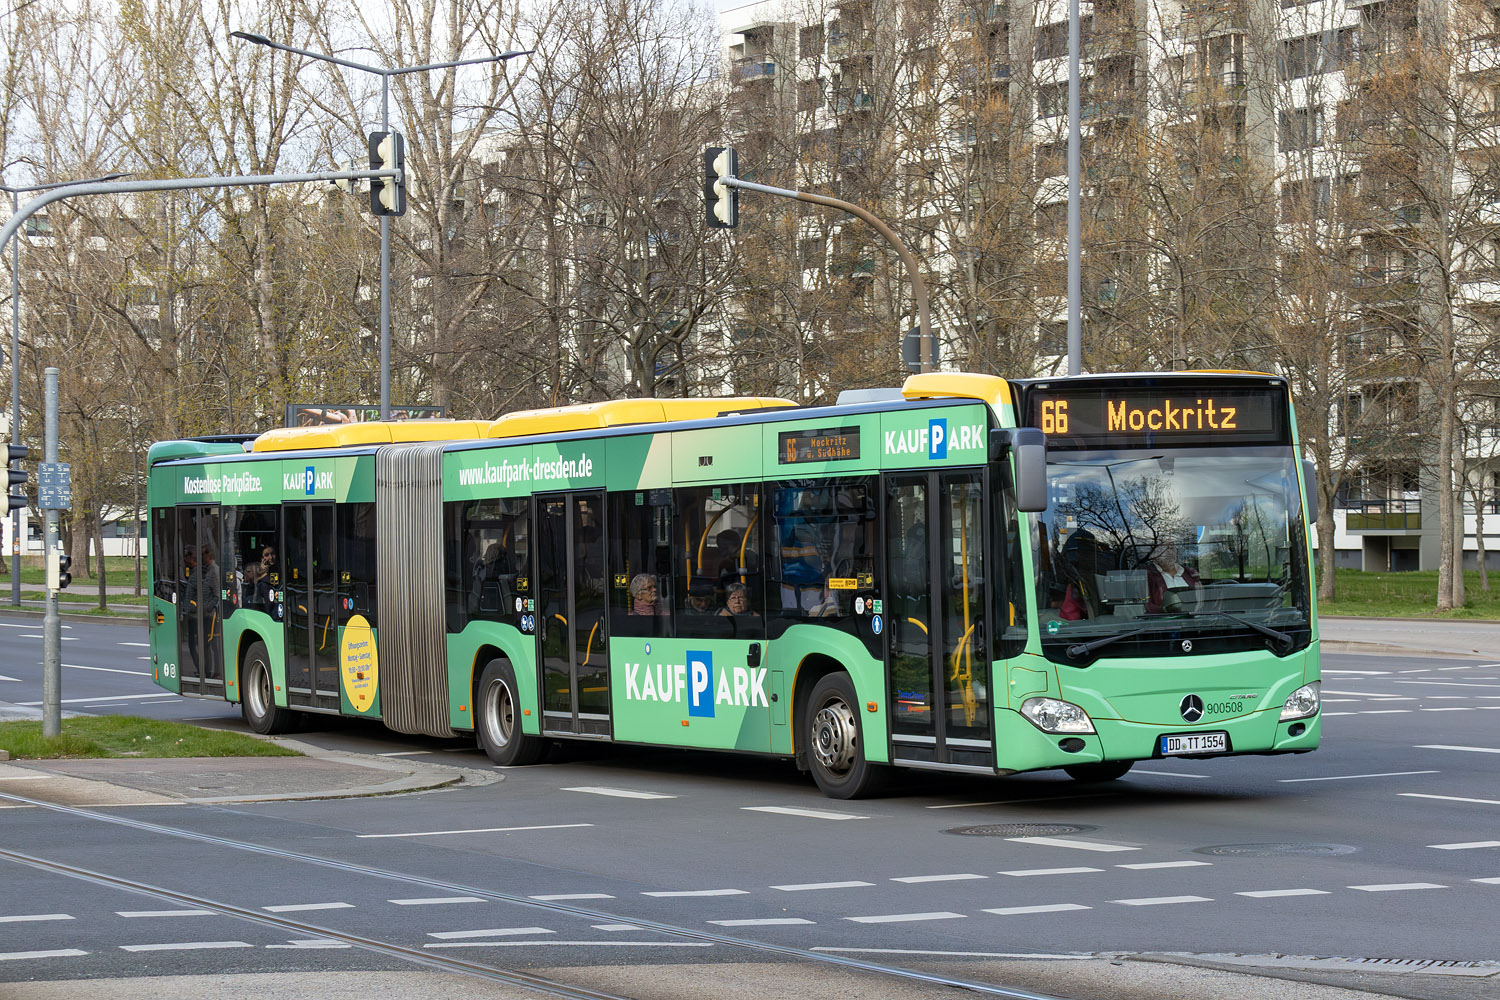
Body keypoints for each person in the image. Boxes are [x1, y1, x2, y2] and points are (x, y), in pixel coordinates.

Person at [1147, 540, 1201, 613]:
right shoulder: (1146, 576)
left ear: (1176, 552)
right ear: (1152, 554)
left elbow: (1202, 600)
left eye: (1172, 548)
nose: (1169, 552)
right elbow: (1145, 606)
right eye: (1162, 548)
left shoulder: (1191, 574)